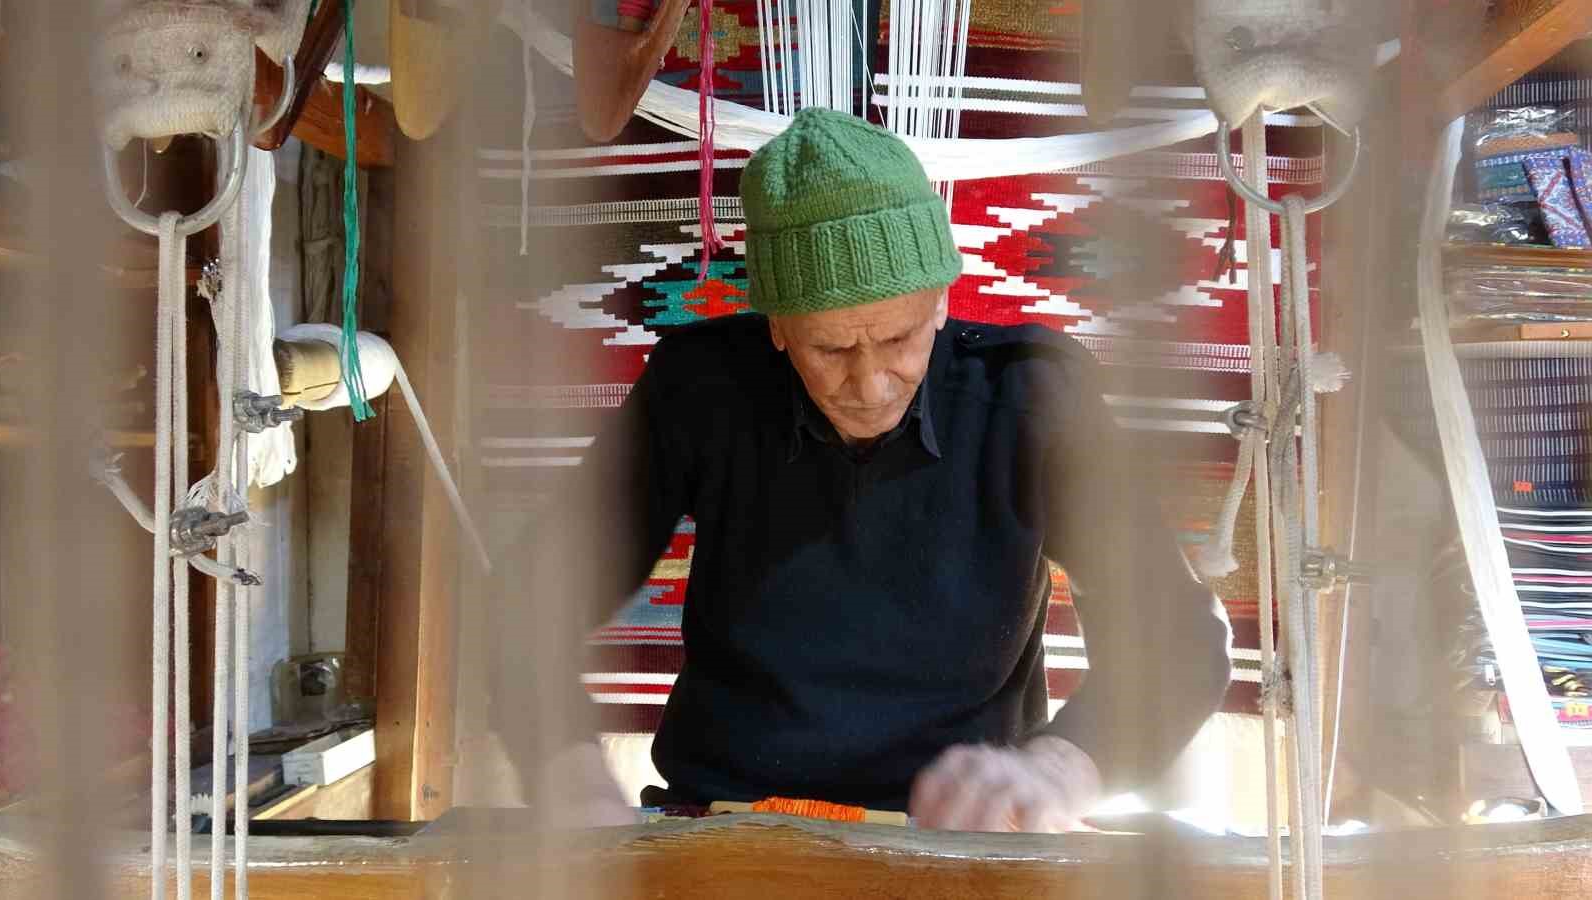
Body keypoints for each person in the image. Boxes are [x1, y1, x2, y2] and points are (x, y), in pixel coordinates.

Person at [499, 107, 1231, 833]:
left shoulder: (1033, 400)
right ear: (776, 326)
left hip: (965, 833)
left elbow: (1181, 640)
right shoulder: (701, 389)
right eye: (831, 349)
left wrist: (1058, 770)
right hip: (729, 825)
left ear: (942, 301)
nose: (872, 384)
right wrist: (570, 777)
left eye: (899, 338)